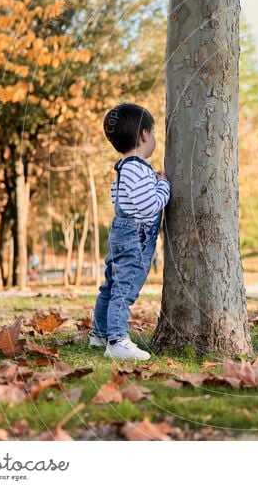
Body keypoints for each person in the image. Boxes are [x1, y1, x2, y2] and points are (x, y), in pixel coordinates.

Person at [90, 102, 171, 360]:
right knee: (124, 290)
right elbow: (148, 206)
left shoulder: (124, 168)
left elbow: (121, 201)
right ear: (145, 134)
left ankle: (99, 334)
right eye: (154, 132)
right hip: (135, 236)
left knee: (111, 286)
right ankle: (116, 341)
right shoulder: (137, 167)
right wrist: (164, 187)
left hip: (122, 232)